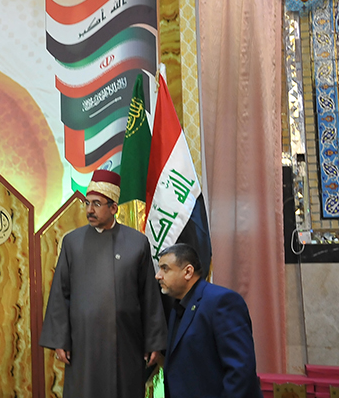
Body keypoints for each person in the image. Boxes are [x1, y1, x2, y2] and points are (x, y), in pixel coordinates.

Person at [39, 169, 167, 398]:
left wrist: (154, 342)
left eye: (97, 204)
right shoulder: (72, 242)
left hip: (126, 342)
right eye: (87, 203)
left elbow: (149, 296)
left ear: (113, 208)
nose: (90, 210)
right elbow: (60, 294)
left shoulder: (137, 243)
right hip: (83, 344)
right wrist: (60, 339)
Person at [156, 243, 263, 398]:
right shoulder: (178, 307)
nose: (158, 275)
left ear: (188, 272)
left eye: (165, 269)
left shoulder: (222, 302)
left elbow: (240, 370)